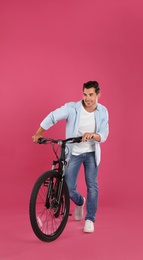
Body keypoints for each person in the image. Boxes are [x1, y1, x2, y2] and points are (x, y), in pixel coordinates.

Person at [32, 81, 109, 233]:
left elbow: (104, 134)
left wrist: (94, 135)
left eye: (91, 95)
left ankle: (90, 218)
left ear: (98, 95)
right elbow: (53, 116)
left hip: (91, 153)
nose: (88, 98)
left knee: (92, 185)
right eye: (85, 94)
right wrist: (39, 132)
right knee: (69, 187)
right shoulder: (72, 108)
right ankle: (80, 202)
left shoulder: (103, 111)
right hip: (73, 152)